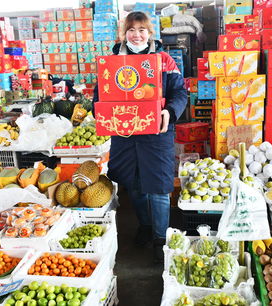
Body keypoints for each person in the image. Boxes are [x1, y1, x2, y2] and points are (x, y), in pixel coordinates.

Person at [93, 11, 187, 263]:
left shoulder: (164, 60)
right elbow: (98, 97)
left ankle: (160, 238)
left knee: (157, 187)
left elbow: (180, 92)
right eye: (131, 30)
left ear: (150, 33)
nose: (136, 35)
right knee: (132, 184)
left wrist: (170, 111)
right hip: (125, 135)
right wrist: (102, 114)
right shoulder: (112, 62)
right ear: (124, 34)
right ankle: (145, 225)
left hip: (156, 134)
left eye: (141, 30)